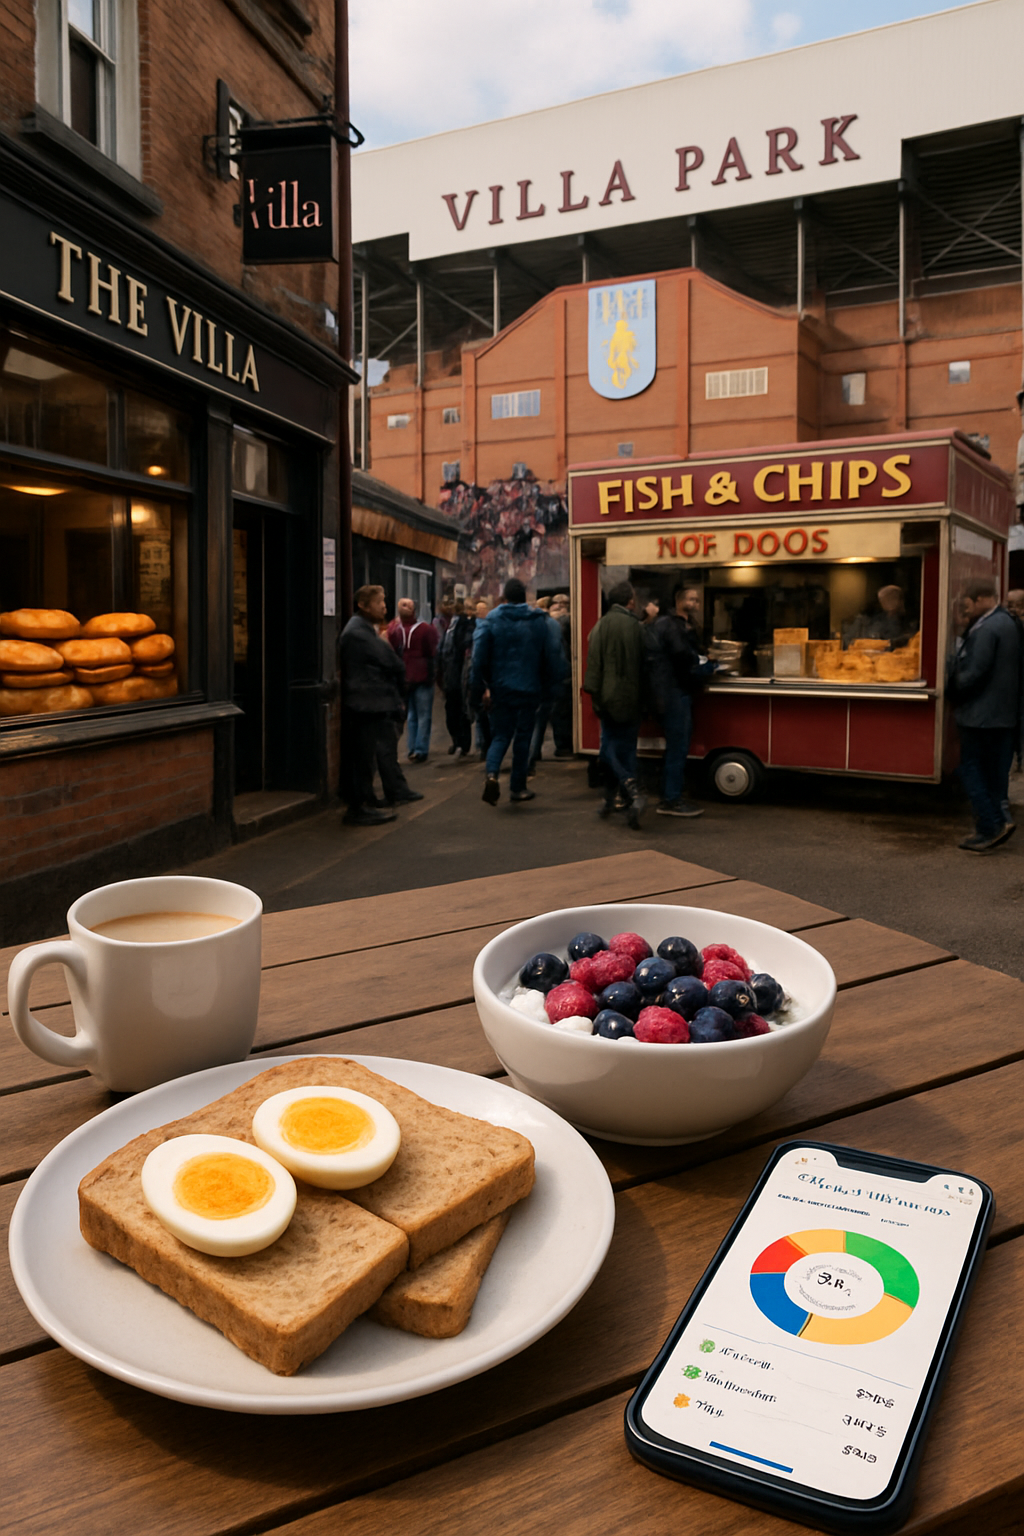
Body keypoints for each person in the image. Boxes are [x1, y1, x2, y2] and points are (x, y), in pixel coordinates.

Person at [470, 577, 565, 806]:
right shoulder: (539, 620)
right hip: (530, 688)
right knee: (523, 737)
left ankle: (492, 774)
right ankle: (518, 787)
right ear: (525, 598)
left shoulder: (491, 621)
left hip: (501, 688)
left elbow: (478, 658)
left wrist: (479, 688)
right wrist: (551, 687)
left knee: (501, 735)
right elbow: (553, 656)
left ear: (505, 598)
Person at [946, 577, 1022, 851]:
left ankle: (989, 826)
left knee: (970, 768)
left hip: (981, 715)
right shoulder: (1007, 622)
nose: (967, 610)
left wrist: (952, 685)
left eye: (969, 604)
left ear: (982, 600)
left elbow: (975, 672)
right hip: (1002, 714)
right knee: (994, 772)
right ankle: (1000, 818)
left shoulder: (989, 628)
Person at [338, 586, 424, 826]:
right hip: (365, 703)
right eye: (379, 602)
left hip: (370, 702)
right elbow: (391, 662)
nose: (384, 607)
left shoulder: (364, 629)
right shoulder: (358, 632)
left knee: (368, 757)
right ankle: (358, 808)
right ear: (364, 606)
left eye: (384, 602)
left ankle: (367, 801)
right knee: (362, 759)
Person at [583, 580, 647, 828]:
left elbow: (594, 668)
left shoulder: (600, 627)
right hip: (632, 699)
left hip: (607, 699)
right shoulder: (636, 627)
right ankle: (629, 795)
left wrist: (595, 697)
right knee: (623, 749)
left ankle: (618, 796)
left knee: (609, 748)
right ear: (630, 601)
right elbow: (645, 664)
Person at [648, 585, 715, 817]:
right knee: (678, 747)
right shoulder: (671, 626)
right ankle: (671, 800)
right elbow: (683, 658)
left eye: (697, 600)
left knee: (674, 748)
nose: (696, 603)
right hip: (674, 693)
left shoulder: (666, 624)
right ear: (679, 601)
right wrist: (708, 666)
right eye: (692, 599)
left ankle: (669, 795)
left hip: (666, 693)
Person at [387, 597, 439, 763]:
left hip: (406, 677)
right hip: (422, 676)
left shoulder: (395, 630)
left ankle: (413, 748)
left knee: (412, 715)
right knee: (422, 715)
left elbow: (392, 649)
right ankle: (420, 749)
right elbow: (432, 651)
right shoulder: (425, 629)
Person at [439, 600, 474, 758]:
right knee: (453, 710)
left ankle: (462, 743)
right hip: (451, 673)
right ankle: (458, 741)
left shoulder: (464, 625)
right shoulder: (450, 626)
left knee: (459, 710)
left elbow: (461, 645)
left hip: (458, 673)